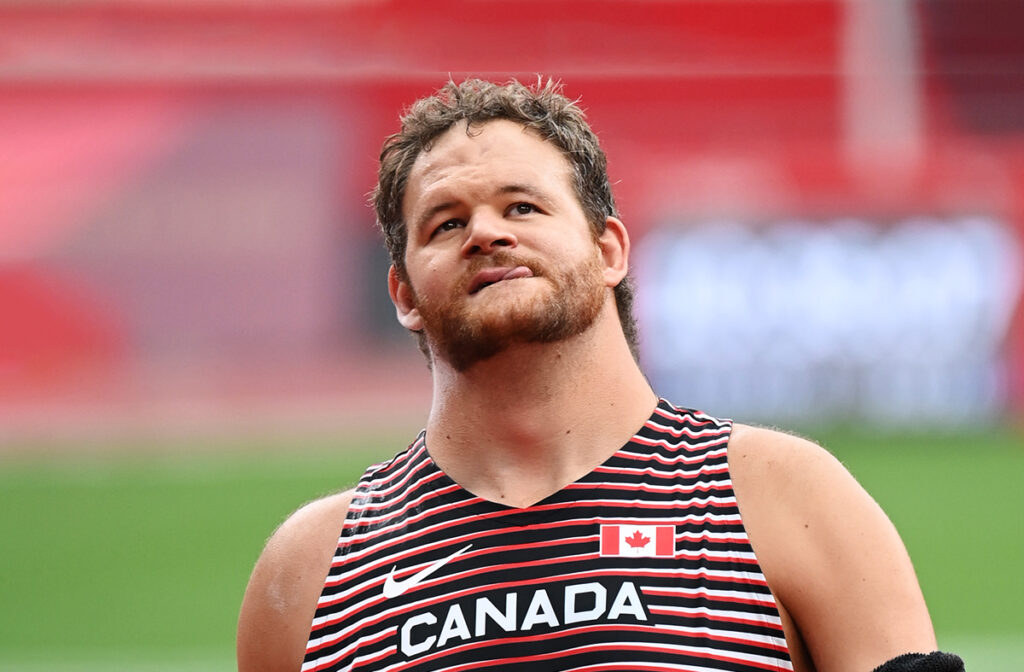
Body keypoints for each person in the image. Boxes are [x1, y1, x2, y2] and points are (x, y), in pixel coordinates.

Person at [237, 79, 963, 672]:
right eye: (446, 223)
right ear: (402, 295)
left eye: (522, 206)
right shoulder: (311, 574)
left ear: (610, 248)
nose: (487, 232)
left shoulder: (784, 497)